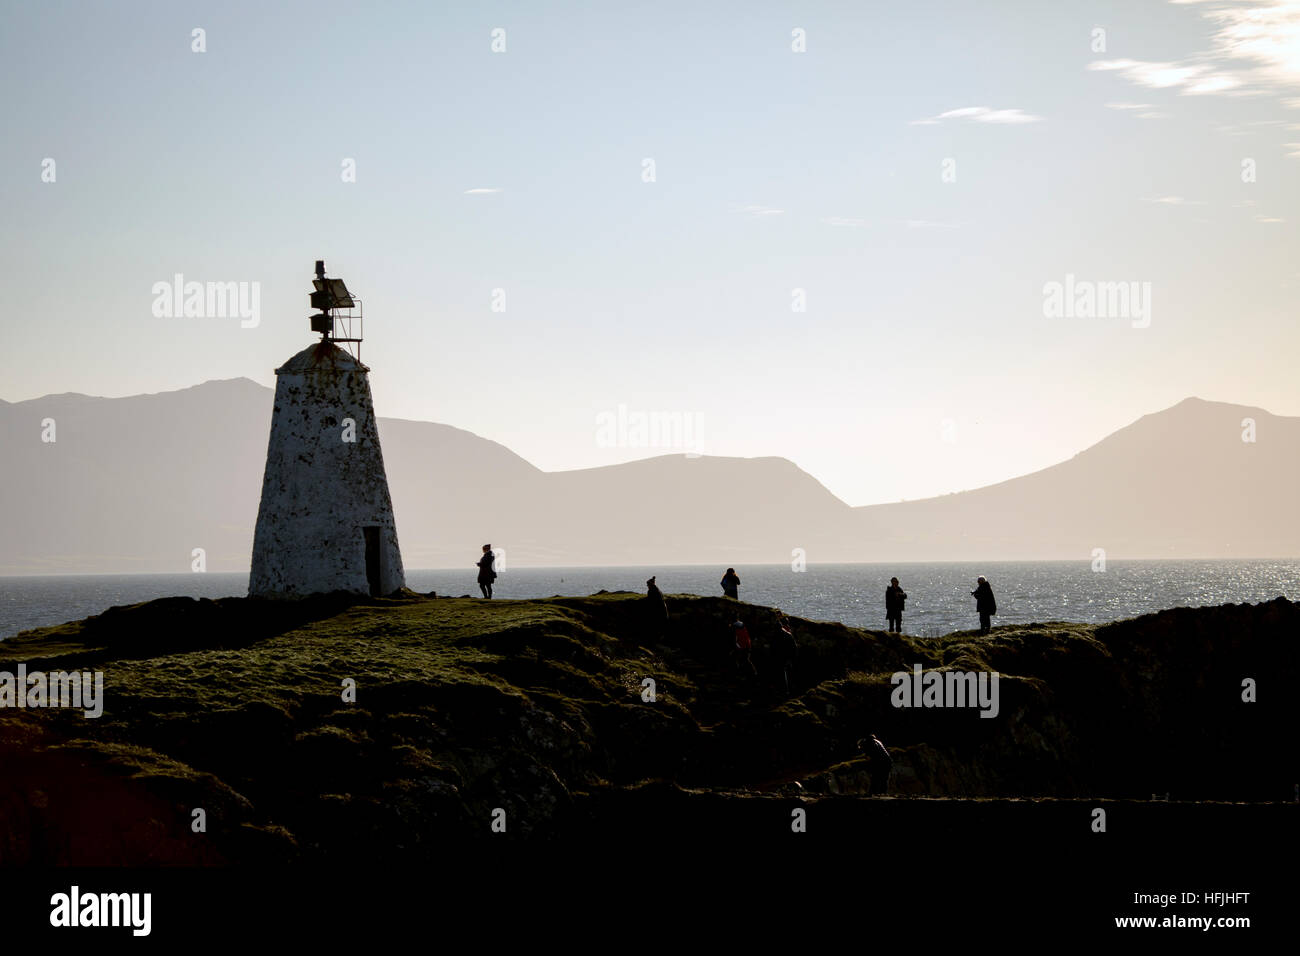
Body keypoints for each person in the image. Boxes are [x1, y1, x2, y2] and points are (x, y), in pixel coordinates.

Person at [774, 613, 798, 695]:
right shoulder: (788, 634)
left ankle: (785, 690)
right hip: (788, 657)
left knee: (783, 674)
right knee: (789, 673)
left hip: (783, 657)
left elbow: (775, 648)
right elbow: (794, 647)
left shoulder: (777, 636)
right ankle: (790, 689)